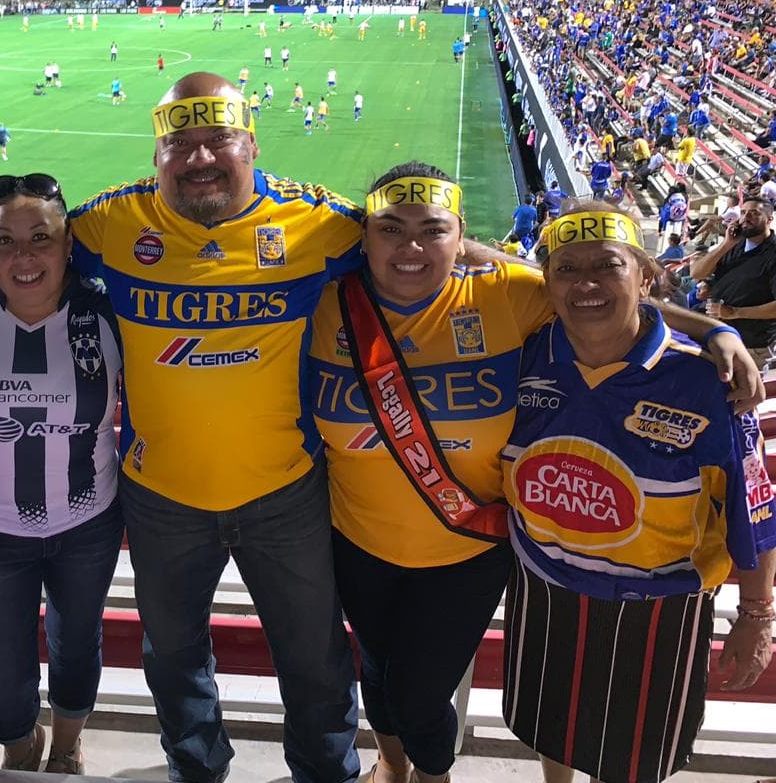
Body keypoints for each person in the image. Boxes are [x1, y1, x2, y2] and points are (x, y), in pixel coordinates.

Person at [312, 170, 760, 783]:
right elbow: (585, 286)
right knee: (387, 674)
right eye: (391, 230)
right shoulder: (326, 301)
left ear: (460, 237)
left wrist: (714, 328)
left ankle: (431, 775)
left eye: (434, 231)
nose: (411, 247)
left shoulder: (512, 299)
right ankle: (390, 766)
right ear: (366, 237)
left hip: (485, 555)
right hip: (378, 546)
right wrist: (713, 325)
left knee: (425, 697)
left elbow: (599, 294)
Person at [68, 72, 363, 783]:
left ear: (251, 144)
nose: (201, 157)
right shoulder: (112, 223)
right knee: (172, 657)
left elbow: (424, 247)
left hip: (285, 493)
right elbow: (18, 243)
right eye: (182, 144)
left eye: (218, 139)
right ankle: (196, 768)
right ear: (158, 157)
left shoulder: (317, 222)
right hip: (162, 496)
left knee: (313, 656)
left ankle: (327, 772)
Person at [501, 203, 776, 783]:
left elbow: (754, 510)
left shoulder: (709, 381)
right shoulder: (521, 358)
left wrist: (756, 615)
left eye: (608, 266)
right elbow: (466, 255)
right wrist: (717, 325)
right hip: (544, 585)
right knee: (553, 728)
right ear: (545, 283)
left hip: (659, 605)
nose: (587, 284)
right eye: (566, 269)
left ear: (646, 278)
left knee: (634, 759)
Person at [0, 173, 124, 775]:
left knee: (74, 645)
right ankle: (19, 746)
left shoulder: (109, 312)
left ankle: (65, 747)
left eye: (41, 236)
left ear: (69, 244)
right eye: (3, 241)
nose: (24, 255)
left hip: (88, 523)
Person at [691, 196, 776, 365]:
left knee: (743, 389)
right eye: (743, 213)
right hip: (718, 332)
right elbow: (696, 273)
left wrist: (735, 312)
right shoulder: (734, 245)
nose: (746, 217)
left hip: (750, 344)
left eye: (754, 213)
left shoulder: (773, 254)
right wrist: (725, 245)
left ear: (769, 219)